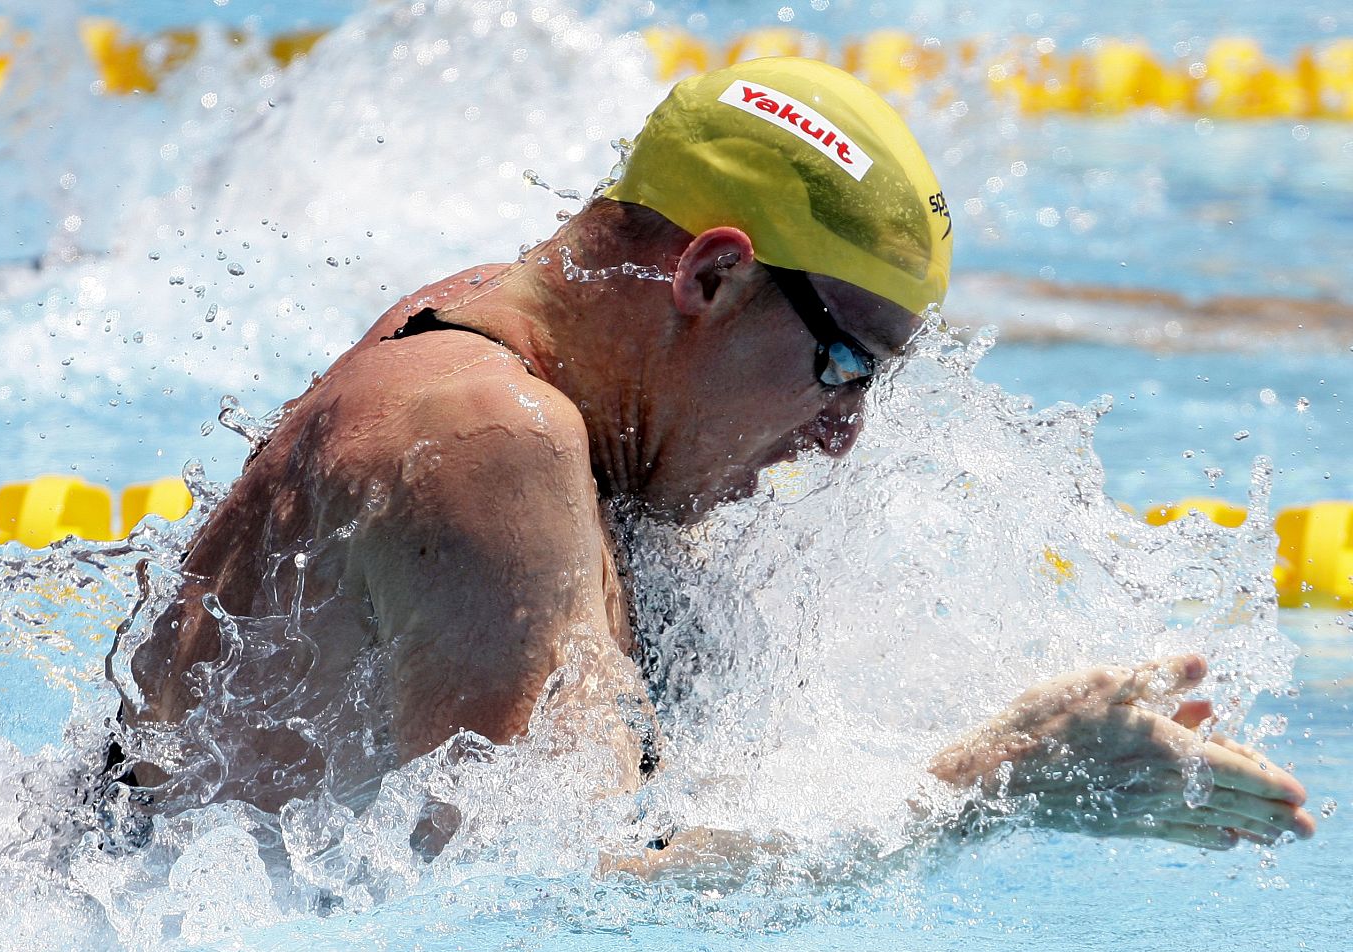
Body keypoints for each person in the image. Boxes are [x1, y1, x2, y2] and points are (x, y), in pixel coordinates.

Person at [105, 58, 1314, 855]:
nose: (842, 440)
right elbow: (548, 911)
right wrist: (983, 783)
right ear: (711, 275)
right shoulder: (489, 442)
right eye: (843, 367)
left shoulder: (490, 334)